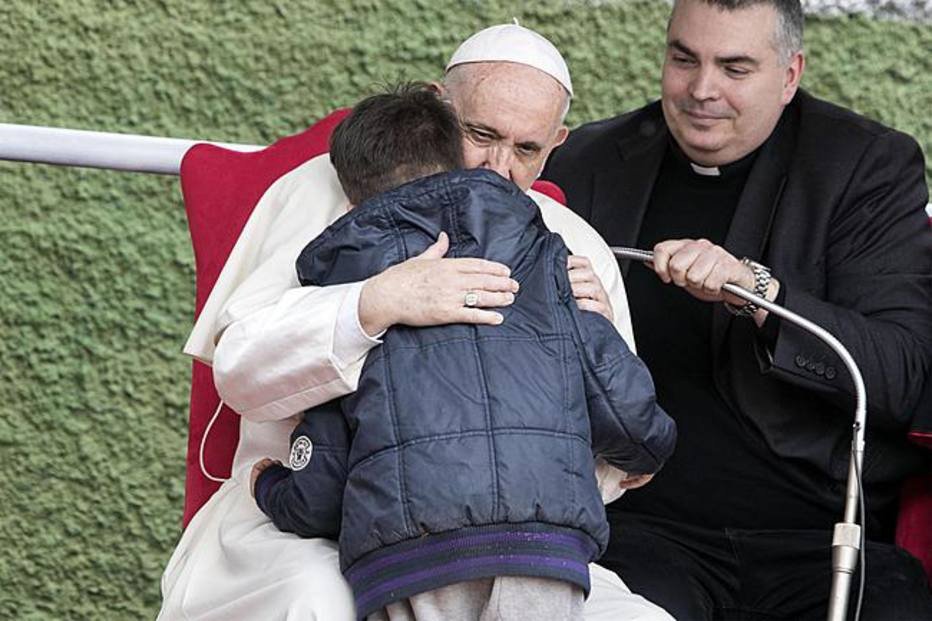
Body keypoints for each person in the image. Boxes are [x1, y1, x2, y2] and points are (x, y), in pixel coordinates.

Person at [160, 24, 676, 621]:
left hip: (500, 536)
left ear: (556, 143)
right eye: (480, 134)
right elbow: (241, 371)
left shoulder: (572, 242)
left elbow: (606, 468)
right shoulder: (325, 193)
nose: (498, 168)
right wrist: (373, 304)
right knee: (318, 601)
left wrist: (599, 334)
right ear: (439, 104)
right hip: (301, 524)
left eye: (527, 149)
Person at [542, 0, 932, 619]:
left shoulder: (865, 167)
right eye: (683, 59)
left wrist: (759, 294)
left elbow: (900, 376)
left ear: (790, 74)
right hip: (641, 529)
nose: (702, 90)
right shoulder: (587, 161)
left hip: (813, 532)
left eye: (735, 67)